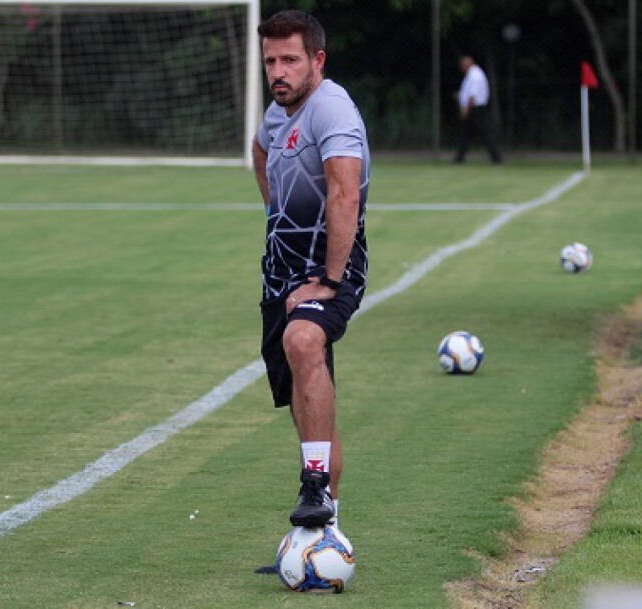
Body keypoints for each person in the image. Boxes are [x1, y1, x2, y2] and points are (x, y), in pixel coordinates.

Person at [252, 10, 370, 528]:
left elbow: (345, 193)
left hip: (331, 270)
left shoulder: (332, 109)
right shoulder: (278, 111)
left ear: (317, 60)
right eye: (271, 61)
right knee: (305, 400)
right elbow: (260, 151)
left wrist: (330, 278)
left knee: (303, 341)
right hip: (279, 274)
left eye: (290, 60)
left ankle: (317, 486)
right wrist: (274, 213)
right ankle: (325, 528)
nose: (278, 71)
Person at [454, 55, 502, 164]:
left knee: (484, 133)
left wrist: (466, 109)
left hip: (476, 109)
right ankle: (460, 157)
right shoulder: (471, 75)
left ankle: (497, 157)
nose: (461, 67)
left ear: (468, 64)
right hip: (473, 108)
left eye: (462, 65)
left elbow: (473, 95)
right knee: (465, 134)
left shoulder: (475, 75)